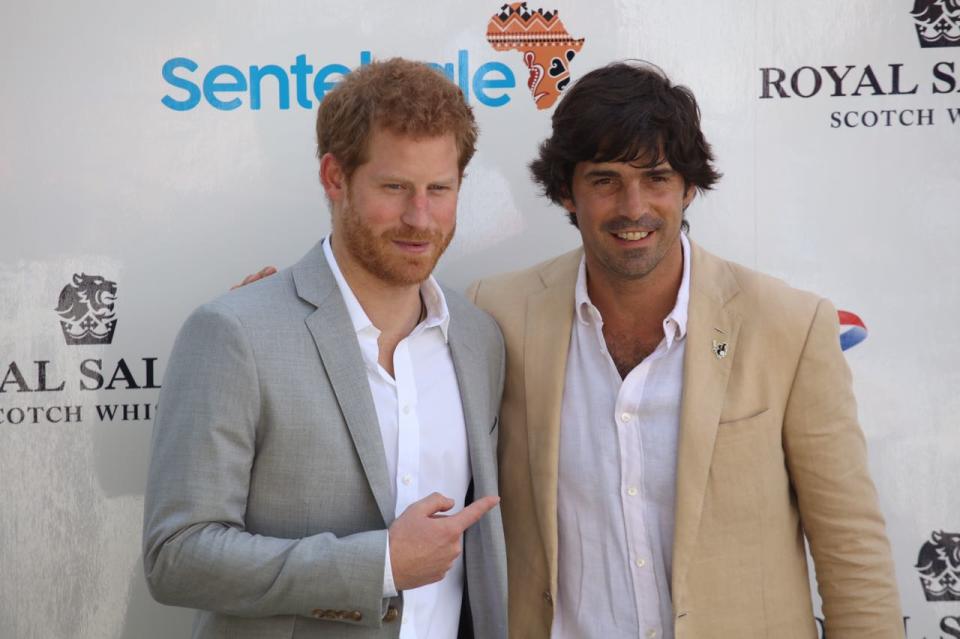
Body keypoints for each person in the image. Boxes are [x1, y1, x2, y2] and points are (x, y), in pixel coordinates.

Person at [467, 61, 904, 638]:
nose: (634, 207)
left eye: (657, 178)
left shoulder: (789, 327)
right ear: (566, 193)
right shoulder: (497, 315)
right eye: (605, 180)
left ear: (689, 187)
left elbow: (851, 547)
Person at [142, 58, 507, 639]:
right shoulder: (235, 332)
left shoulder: (478, 337)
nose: (421, 217)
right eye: (394, 188)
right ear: (334, 178)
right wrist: (381, 564)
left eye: (440, 189)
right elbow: (176, 556)